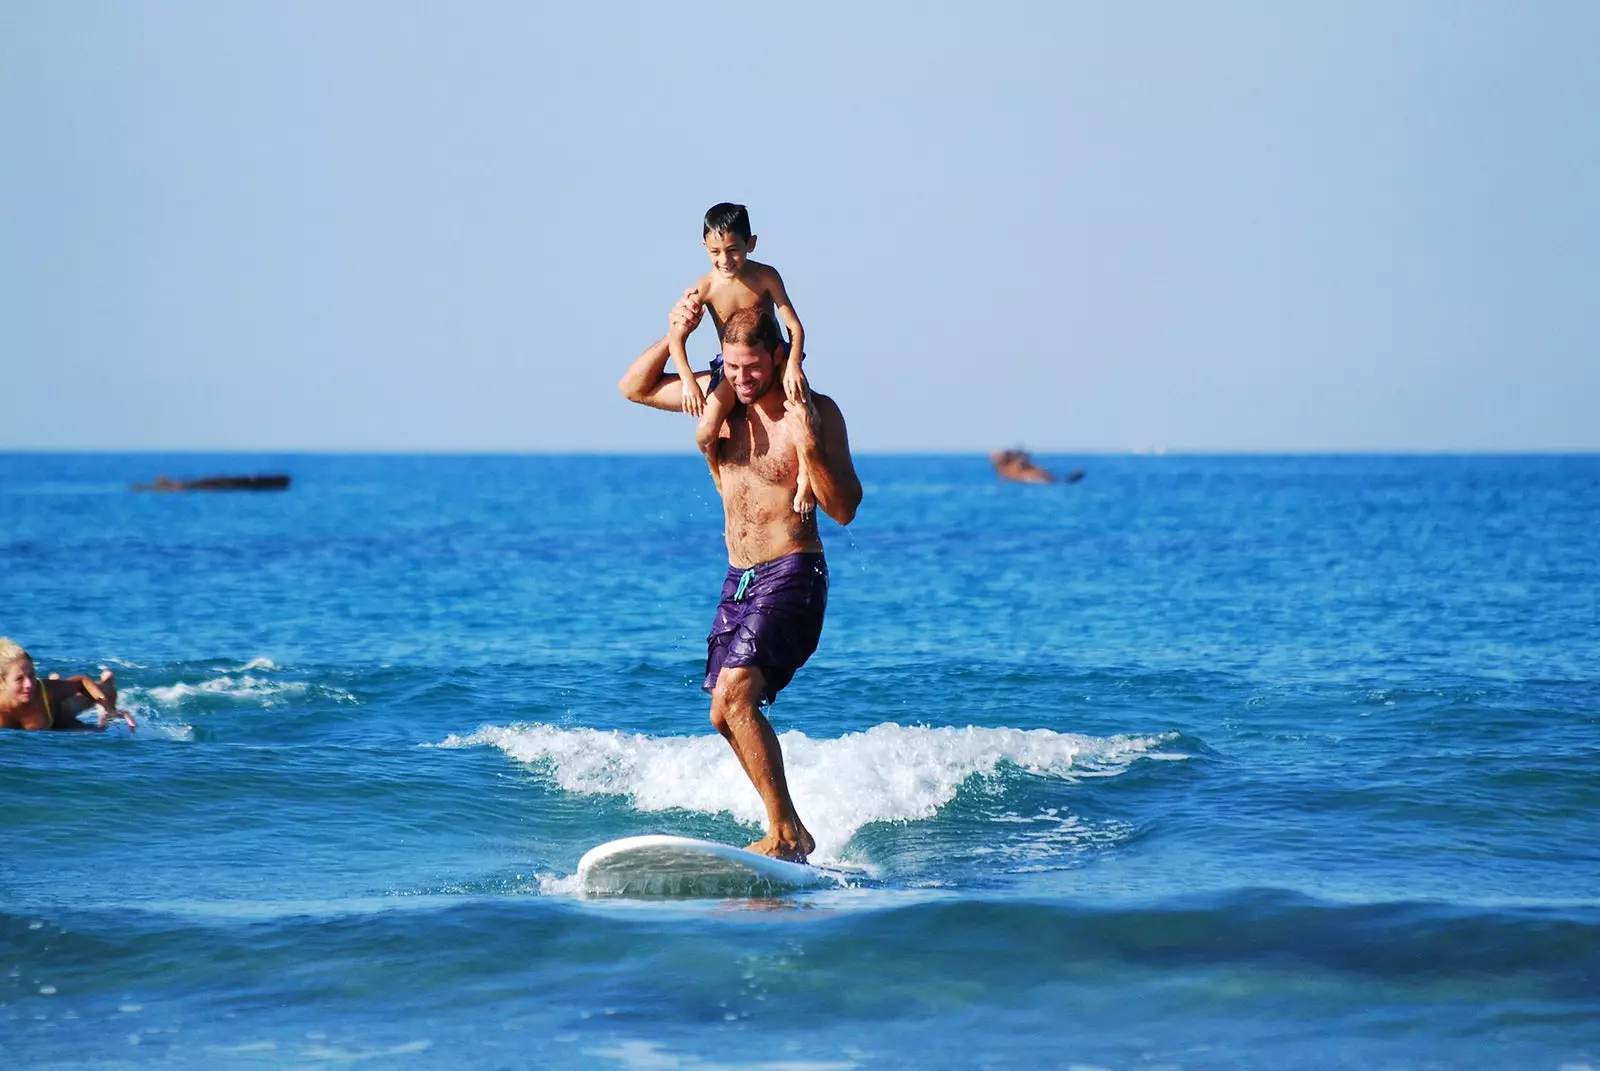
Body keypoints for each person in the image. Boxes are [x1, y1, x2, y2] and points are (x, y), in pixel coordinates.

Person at [619, 301, 862, 861]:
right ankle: (792, 830)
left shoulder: (814, 411)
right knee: (721, 713)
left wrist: (807, 447)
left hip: (794, 572)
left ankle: (785, 835)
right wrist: (675, 333)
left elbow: (845, 507)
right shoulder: (718, 399)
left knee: (736, 693)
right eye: (731, 368)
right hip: (739, 579)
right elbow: (633, 387)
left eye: (752, 367)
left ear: (779, 356)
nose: (743, 379)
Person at [665, 203, 813, 512]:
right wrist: (689, 382)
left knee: (805, 413)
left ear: (751, 244)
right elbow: (676, 340)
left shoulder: (766, 277)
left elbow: (794, 326)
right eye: (715, 251)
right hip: (731, 367)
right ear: (704, 247)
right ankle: (718, 478)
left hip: (776, 356)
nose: (724, 260)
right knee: (705, 430)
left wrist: (794, 365)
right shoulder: (703, 287)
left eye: (733, 250)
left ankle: (805, 481)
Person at [0, 638, 135, 732]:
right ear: (2, 682)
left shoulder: (44, 692)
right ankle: (56, 680)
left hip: (56, 708)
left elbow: (82, 682)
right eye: (19, 679)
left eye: (32, 675)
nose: (29, 684)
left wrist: (109, 709)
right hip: (53, 726)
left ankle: (107, 683)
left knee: (86, 707)